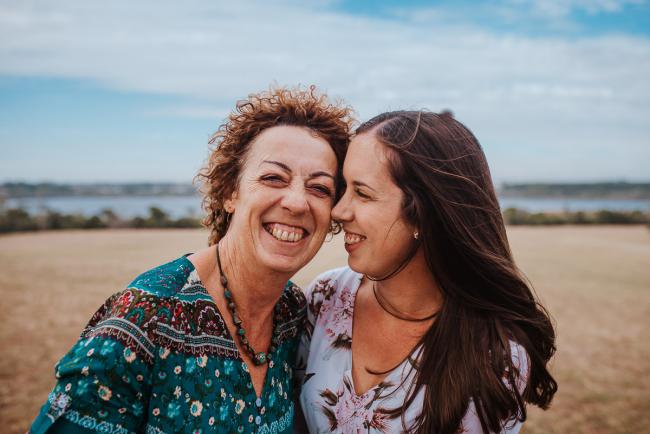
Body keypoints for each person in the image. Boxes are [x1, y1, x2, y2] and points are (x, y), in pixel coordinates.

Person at [29, 86, 352, 434]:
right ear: (230, 192)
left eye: (319, 188)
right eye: (273, 178)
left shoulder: (293, 314)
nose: (297, 202)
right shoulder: (143, 322)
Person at [298, 111, 557, 433]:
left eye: (362, 193)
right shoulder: (327, 296)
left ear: (424, 214)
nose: (338, 211)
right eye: (343, 189)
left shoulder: (493, 358)